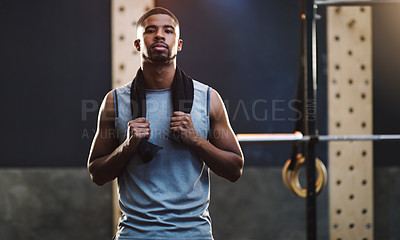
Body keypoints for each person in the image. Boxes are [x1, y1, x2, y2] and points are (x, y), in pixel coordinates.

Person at [87, 7, 244, 240]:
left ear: (178, 44)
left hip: (194, 234)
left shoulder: (208, 98)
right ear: (138, 44)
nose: (160, 35)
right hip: (135, 234)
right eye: (151, 30)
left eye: (168, 31)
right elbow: (97, 173)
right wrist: (128, 146)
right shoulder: (115, 101)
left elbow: (235, 169)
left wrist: (196, 140)